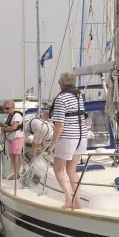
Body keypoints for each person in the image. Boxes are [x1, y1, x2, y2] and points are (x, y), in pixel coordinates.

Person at [47, 72, 88, 209]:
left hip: (68, 137)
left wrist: (52, 145)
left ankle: (68, 199)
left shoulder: (61, 98)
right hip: (81, 136)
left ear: (63, 83)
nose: (58, 84)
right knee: (72, 170)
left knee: (59, 169)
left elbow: (60, 124)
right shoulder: (79, 96)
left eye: (59, 82)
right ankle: (77, 201)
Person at [0, 99, 24, 180]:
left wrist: (4, 129)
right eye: (5, 108)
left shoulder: (16, 115)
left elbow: (14, 127)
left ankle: (17, 173)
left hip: (17, 137)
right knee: (11, 155)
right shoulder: (10, 116)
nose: (6, 110)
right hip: (11, 138)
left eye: (8, 108)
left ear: (13, 107)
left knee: (16, 155)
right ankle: (15, 172)